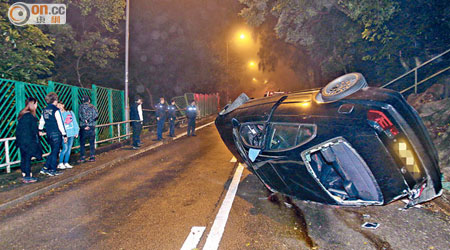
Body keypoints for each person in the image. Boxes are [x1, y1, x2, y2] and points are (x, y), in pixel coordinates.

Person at [39, 92, 68, 176]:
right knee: (55, 152)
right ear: (55, 100)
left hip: (49, 133)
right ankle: (52, 170)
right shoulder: (56, 110)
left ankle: (45, 167)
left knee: (53, 151)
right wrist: (64, 134)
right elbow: (60, 123)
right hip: (56, 133)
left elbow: (42, 121)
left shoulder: (44, 110)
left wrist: (40, 129)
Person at [16, 97, 43, 183]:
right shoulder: (30, 116)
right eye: (36, 104)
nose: (37, 105)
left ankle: (25, 173)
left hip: (21, 141)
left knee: (24, 157)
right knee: (27, 158)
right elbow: (33, 130)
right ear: (33, 104)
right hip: (28, 141)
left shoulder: (22, 114)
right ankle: (27, 176)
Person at [57, 102, 79, 169]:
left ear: (63, 105)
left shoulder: (70, 112)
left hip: (71, 133)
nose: (59, 107)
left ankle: (66, 162)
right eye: (58, 105)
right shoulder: (58, 114)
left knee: (69, 148)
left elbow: (74, 122)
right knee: (65, 148)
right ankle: (60, 162)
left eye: (60, 105)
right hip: (64, 134)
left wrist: (76, 131)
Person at [78, 95, 98, 162]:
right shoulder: (93, 107)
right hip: (91, 126)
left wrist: (85, 123)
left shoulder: (80, 107)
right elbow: (96, 116)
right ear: (89, 100)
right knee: (91, 142)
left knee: (82, 143)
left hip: (83, 127)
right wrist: (89, 122)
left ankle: (82, 157)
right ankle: (92, 156)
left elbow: (80, 116)